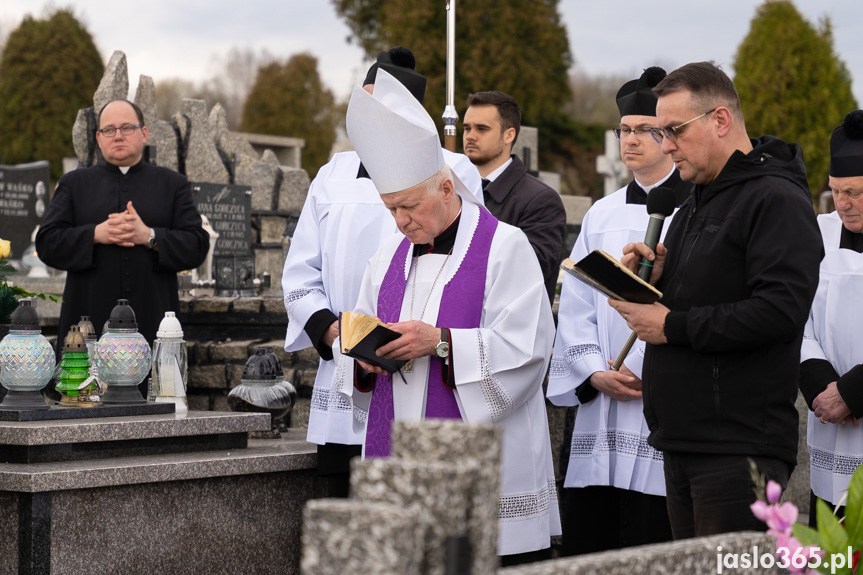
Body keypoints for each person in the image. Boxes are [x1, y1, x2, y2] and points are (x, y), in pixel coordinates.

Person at [332, 69, 560, 565]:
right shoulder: (388, 255)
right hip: (398, 446)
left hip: (481, 458)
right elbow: (355, 329)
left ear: (445, 187)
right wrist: (361, 358)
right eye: (391, 209)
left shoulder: (505, 247)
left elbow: (528, 350)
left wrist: (440, 342)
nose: (401, 221)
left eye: (410, 206)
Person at [609, 61, 823, 539]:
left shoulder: (775, 199)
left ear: (720, 121)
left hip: (737, 445)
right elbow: (708, 292)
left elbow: (780, 312)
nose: (666, 146)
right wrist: (658, 279)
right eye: (660, 132)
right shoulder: (697, 199)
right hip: (686, 437)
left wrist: (672, 325)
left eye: (673, 131)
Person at [281, 47, 482, 498]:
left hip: (421, 369)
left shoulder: (454, 171)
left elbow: (471, 265)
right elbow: (299, 274)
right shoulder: (332, 175)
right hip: (346, 366)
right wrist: (334, 333)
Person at [547, 66, 690, 555]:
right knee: (595, 538)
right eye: (623, 130)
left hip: (660, 395)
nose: (630, 141)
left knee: (653, 536)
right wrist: (593, 371)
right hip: (604, 398)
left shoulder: (694, 208)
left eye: (643, 131)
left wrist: (644, 373)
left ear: (669, 135)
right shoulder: (601, 213)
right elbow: (577, 301)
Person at [36, 99, 209, 347]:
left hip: (154, 325)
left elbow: (198, 245)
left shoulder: (172, 184)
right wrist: (95, 234)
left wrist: (149, 236)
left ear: (144, 133)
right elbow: (46, 243)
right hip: (87, 327)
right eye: (109, 130)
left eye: (127, 128)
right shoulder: (73, 184)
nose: (118, 136)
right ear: (98, 138)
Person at [800, 109, 863, 527]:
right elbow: (792, 314)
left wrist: (854, 392)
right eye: (836, 191)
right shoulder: (813, 233)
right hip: (826, 413)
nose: (843, 203)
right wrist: (823, 387)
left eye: (856, 192)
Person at [463, 91, 566, 304]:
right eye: (467, 128)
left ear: (509, 135)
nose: (470, 136)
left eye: (482, 128)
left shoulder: (541, 201)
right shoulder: (455, 191)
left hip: (511, 329)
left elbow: (530, 271)